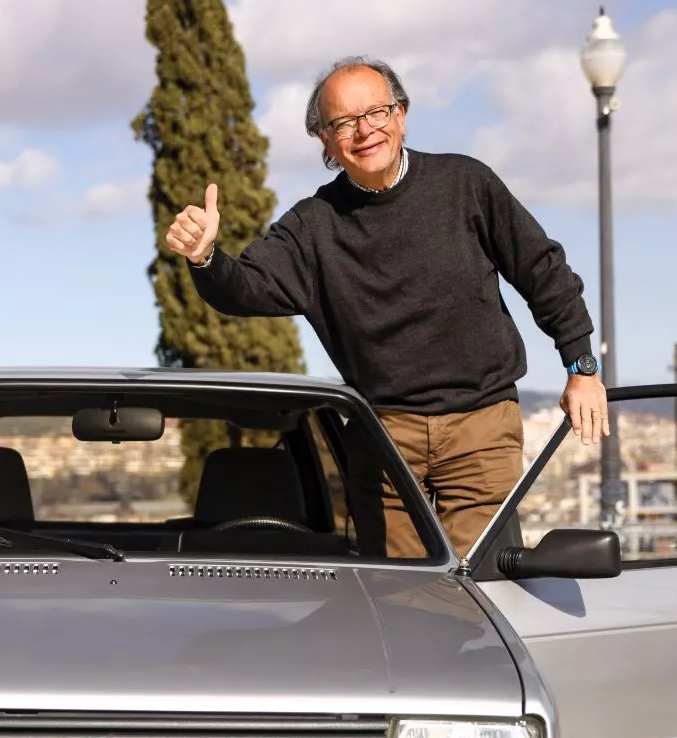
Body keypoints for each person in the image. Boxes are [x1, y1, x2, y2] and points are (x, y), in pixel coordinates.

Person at [165, 55, 609, 559]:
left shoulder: (466, 184)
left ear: (400, 114)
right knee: (400, 596)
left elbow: (543, 271)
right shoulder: (313, 225)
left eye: (375, 113)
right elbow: (244, 288)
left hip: (481, 424)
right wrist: (204, 258)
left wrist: (581, 367)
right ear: (325, 140)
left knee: (481, 590)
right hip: (382, 434)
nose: (364, 131)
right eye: (343, 122)